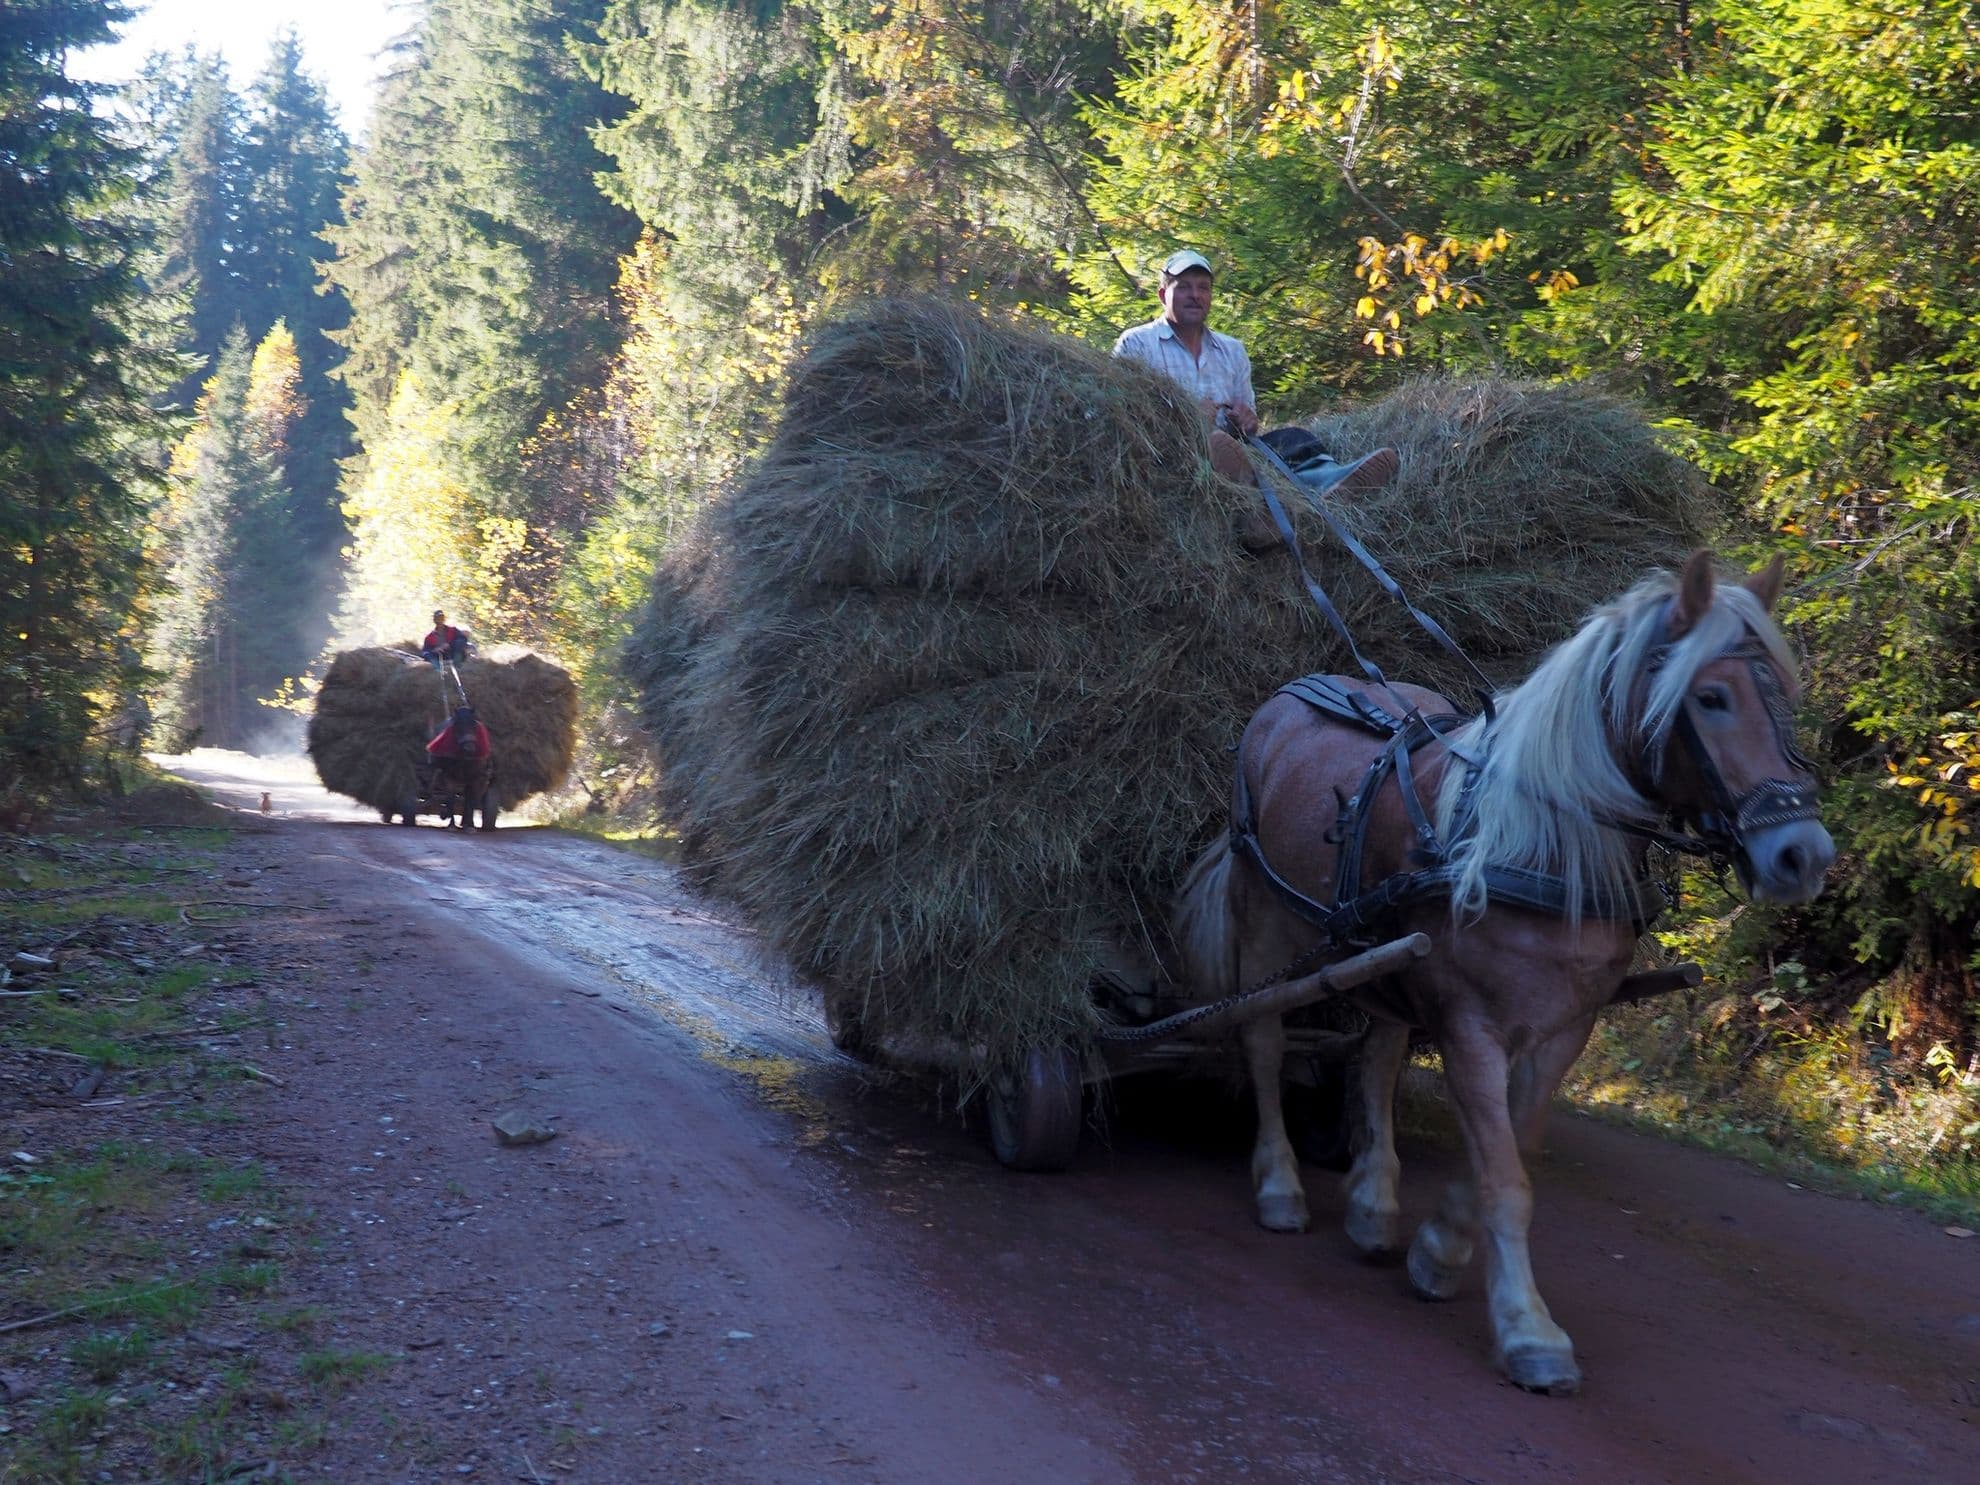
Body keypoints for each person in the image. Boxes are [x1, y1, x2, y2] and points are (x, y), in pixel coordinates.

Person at [1111, 249, 1397, 498]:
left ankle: (1332, 482)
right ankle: (1256, 503)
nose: (1195, 295)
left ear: (1210, 295)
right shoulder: (1137, 343)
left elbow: (1247, 427)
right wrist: (1188, 419)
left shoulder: (1232, 350)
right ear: (1163, 295)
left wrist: (1246, 421)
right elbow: (1122, 417)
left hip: (1234, 452)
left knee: (1294, 438)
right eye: (1184, 287)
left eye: (1203, 287)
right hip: (1174, 451)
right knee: (1214, 444)